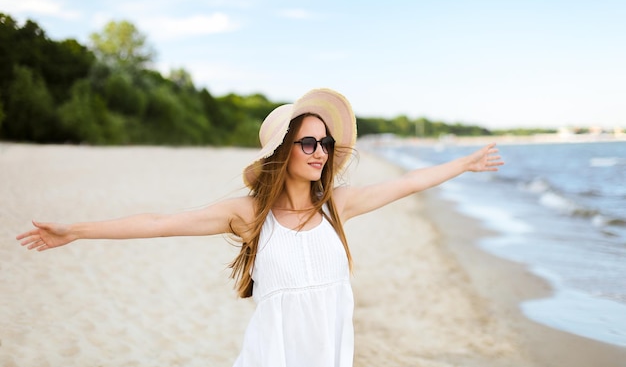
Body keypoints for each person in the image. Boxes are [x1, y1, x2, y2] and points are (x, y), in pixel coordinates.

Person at [16, 88, 503, 367]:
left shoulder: (338, 207)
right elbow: (160, 222)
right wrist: (75, 231)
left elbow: (410, 182)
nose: (319, 151)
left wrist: (464, 162)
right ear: (282, 152)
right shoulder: (249, 215)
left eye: (325, 143)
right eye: (307, 142)